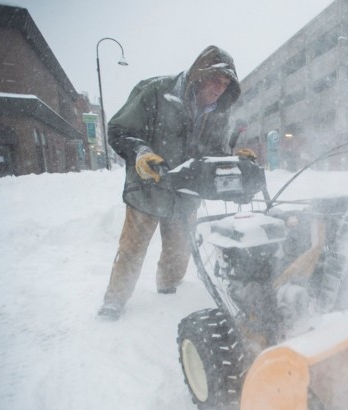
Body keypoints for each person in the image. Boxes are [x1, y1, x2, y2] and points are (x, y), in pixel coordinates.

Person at [97, 45, 241, 320]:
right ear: (199, 75)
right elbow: (119, 129)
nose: (218, 88)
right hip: (147, 188)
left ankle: (168, 294)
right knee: (132, 250)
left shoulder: (218, 113)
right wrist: (141, 152)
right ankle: (114, 302)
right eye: (214, 79)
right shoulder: (154, 92)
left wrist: (234, 161)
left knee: (179, 251)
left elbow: (216, 151)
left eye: (225, 84)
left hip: (185, 195)